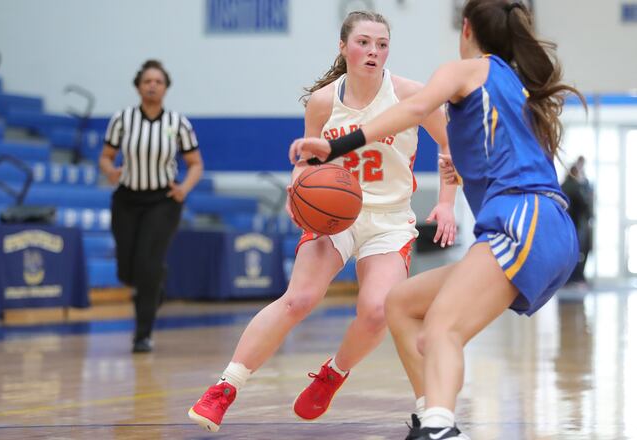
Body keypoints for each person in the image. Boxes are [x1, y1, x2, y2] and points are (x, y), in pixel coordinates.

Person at [288, 1, 583, 438]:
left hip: (524, 218)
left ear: (466, 28)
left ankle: (441, 428)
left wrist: (337, 147)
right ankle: (430, 413)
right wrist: (457, 177)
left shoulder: (467, 70)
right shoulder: (511, 83)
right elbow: (498, 157)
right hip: (542, 225)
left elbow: (412, 109)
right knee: (402, 305)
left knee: (441, 329)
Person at [188, 10, 458, 433]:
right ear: (343, 46)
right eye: (364, 42)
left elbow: (450, 147)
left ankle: (334, 373)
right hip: (335, 216)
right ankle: (225, 387)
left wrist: (446, 202)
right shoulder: (323, 101)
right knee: (299, 299)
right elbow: (308, 163)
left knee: (376, 311)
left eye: (382, 44)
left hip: (388, 219)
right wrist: (299, 186)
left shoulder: (411, 94)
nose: (374, 51)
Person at [99, 59, 204, 353]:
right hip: (127, 200)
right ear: (138, 86)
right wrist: (110, 170)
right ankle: (156, 280)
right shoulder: (122, 119)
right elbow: (106, 156)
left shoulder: (178, 123)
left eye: (158, 81)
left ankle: (142, 335)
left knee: (147, 265)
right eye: (147, 81)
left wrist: (184, 187)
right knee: (127, 270)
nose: (152, 86)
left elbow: (195, 164)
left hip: (162, 201)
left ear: (166, 87)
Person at [560, 156, 594, 286]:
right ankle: (576, 278)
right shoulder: (576, 187)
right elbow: (585, 207)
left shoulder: (562, 186)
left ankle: (567, 279)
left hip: (564, 225)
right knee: (580, 253)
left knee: (569, 254)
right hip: (577, 225)